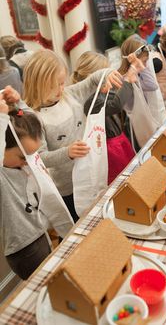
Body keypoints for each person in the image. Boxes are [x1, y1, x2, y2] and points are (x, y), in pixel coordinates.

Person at [23, 49, 122, 222]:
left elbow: (93, 80)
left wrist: (108, 73)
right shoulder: (34, 118)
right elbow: (40, 158)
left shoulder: (70, 94)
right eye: (54, 86)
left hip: (91, 174)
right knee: (75, 227)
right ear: (37, 84)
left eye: (62, 83)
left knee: (98, 220)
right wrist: (67, 152)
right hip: (66, 188)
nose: (60, 89)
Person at [0, 90, 73, 280]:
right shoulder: (2, 175)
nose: (29, 161)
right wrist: (1, 117)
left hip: (39, 235)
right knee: (47, 284)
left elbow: (27, 122)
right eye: (23, 157)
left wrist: (18, 103)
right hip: (24, 249)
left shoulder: (22, 159)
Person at [82, 51, 137, 184]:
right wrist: (128, 81)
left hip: (118, 141)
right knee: (120, 181)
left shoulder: (101, 92)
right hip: (110, 149)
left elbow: (115, 96)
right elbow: (116, 105)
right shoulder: (90, 100)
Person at [119, 35, 159, 150]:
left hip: (142, 121)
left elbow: (153, 85)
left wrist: (141, 66)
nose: (145, 65)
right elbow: (152, 85)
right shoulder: (125, 78)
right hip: (133, 126)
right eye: (143, 62)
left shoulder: (138, 74)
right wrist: (138, 65)